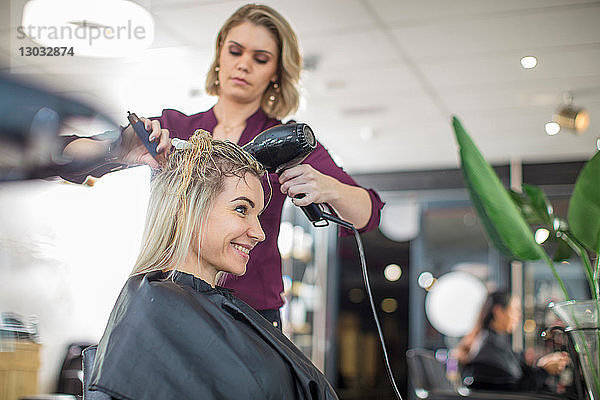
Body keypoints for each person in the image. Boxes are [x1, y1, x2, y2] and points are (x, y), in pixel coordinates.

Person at [63, 4, 384, 327]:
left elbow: (369, 213)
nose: (244, 65)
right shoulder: (174, 128)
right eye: (235, 51)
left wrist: (330, 188)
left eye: (260, 59)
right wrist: (115, 150)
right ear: (220, 55)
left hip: (250, 314)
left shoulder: (284, 141)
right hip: (172, 300)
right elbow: (64, 155)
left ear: (276, 73)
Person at [89, 130, 339, 399]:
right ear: (186, 207)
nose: (259, 232)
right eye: (242, 209)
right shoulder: (156, 312)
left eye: (258, 215)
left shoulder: (191, 306)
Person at [455, 289, 570, 392]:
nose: (519, 316)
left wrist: (543, 365)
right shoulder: (489, 348)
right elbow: (512, 391)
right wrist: (543, 371)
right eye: (515, 310)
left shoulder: (491, 343)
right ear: (499, 311)